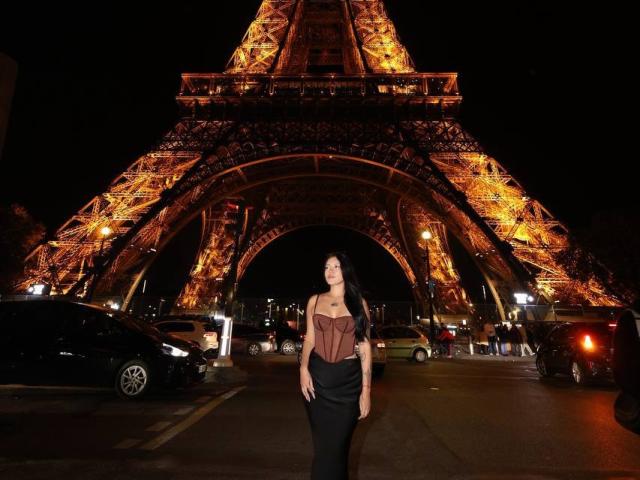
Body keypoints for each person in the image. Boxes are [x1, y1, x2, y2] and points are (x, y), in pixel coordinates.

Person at [300, 252, 372, 479]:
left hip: (348, 385)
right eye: (326, 267)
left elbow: (365, 347)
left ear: (346, 270)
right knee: (322, 450)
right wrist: (303, 368)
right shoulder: (314, 301)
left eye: (336, 266)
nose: (329, 271)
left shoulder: (359, 303)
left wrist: (366, 391)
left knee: (338, 449)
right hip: (318, 382)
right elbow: (310, 339)